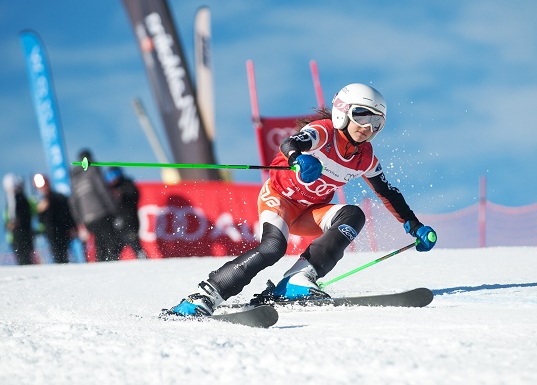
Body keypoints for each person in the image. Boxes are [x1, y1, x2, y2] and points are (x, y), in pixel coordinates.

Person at [165, 83, 437, 317]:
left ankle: (297, 279)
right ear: (343, 111)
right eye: (361, 115)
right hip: (280, 199)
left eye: (377, 121)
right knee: (273, 248)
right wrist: (298, 158)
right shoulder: (324, 132)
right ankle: (203, 297)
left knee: (353, 215)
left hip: (311, 212)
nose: (368, 126)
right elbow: (290, 143)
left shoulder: (365, 158)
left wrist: (414, 225)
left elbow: (388, 193)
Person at [69, 149, 121, 262]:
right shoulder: (93, 170)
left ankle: (101, 265)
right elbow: (102, 190)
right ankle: (114, 265)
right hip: (101, 212)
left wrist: (79, 220)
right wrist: (114, 209)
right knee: (111, 241)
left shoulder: (75, 177)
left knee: (99, 242)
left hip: (87, 218)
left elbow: (73, 201)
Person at [34, 174, 77, 264]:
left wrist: (72, 227)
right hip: (50, 233)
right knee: (57, 256)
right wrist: (40, 211)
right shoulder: (41, 203)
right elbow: (41, 221)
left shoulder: (59, 197)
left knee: (65, 254)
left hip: (63, 231)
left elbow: (68, 213)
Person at [105, 167, 146, 259]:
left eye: (114, 175)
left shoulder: (127, 184)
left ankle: (144, 261)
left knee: (134, 243)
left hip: (130, 221)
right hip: (117, 223)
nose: (112, 179)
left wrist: (122, 194)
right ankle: (111, 267)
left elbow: (135, 196)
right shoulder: (108, 189)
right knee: (114, 249)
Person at [3, 174, 35, 265]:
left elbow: (27, 215)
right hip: (14, 236)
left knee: (25, 258)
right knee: (21, 258)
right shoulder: (9, 202)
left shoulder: (21, 198)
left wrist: (17, 222)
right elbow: (7, 219)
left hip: (23, 233)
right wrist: (8, 225)